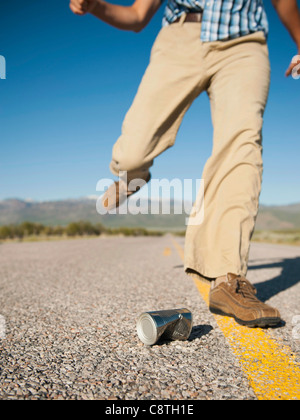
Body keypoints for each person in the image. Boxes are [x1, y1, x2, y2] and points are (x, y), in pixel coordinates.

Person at [70, 0, 300, 328]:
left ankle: (228, 277)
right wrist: (95, 6)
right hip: (180, 38)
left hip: (245, 45)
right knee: (134, 148)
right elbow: (136, 17)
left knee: (242, 144)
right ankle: (132, 174)